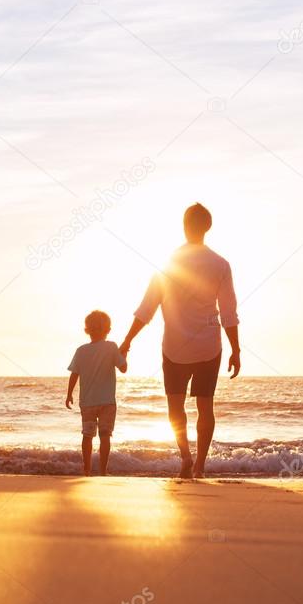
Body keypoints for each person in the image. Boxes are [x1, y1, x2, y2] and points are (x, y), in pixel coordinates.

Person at [119, 203, 240, 479]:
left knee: (176, 406)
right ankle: (200, 465)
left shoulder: (167, 264)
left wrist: (127, 340)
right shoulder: (220, 264)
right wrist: (236, 349)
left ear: (184, 226)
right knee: (205, 406)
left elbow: (146, 308)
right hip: (209, 347)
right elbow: (229, 312)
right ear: (207, 227)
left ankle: (185, 456)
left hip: (174, 348)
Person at [66, 310, 127, 476]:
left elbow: (74, 374)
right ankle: (102, 471)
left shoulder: (81, 350)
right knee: (105, 435)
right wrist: (124, 353)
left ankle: (86, 470)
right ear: (108, 329)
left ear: (87, 330)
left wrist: (69, 394)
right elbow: (123, 368)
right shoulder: (111, 347)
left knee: (87, 436)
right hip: (107, 402)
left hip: (87, 403)